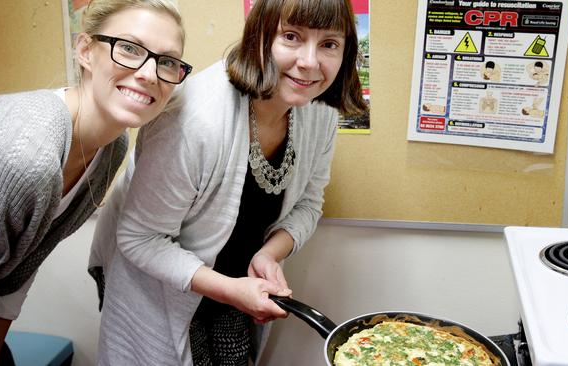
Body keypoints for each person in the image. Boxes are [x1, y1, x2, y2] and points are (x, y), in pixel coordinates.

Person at [88, 0, 368, 365]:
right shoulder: (193, 120)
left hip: (236, 284)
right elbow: (140, 240)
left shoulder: (320, 113)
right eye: (291, 37)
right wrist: (230, 289)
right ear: (259, 37)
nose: (310, 62)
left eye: (329, 44)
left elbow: (308, 204)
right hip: (156, 278)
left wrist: (269, 254)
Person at [0, 0, 191, 364]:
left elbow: (26, 262)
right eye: (129, 48)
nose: (149, 73)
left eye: (167, 61)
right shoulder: (25, 155)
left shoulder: (111, 148)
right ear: (86, 51)